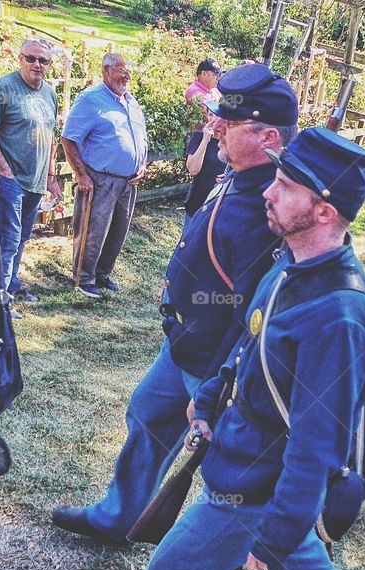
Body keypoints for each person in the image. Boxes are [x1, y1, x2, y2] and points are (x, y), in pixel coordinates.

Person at [79, 127, 365, 570]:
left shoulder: (338, 315)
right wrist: (213, 393)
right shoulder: (289, 266)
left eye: (287, 186)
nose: (270, 191)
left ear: (322, 210)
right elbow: (250, 343)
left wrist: (274, 535)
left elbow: (317, 446)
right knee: (271, 543)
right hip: (243, 443)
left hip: (258, 478)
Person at [51, 64, 298, 544]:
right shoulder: (241, 173)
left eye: (231, 122)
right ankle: (120, 516)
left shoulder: (271, 203)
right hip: (185, 343)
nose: (217, 126)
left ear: (269, 136)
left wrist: (220, 385)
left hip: (216, 363)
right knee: (147, 414)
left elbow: (254, 313)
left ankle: (221, 556)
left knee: (228, 467)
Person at [0, 37, 62, 305]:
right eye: (31, 58)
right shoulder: (3, 87)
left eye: (43, 60)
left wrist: (50, 178)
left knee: (22, 237)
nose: (37, 64)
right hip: (7, 179)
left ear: (49, 65)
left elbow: (50, 137)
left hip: (35, 181)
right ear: (20, 58)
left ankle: (10, 287)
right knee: (7, 239)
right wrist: (3, 171)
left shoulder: (49, 93)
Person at [62, 52, 148, 299]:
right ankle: (83, 278)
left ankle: (102, 274)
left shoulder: (132, 101)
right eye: (122, 70)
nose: (127, 75)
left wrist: (141, 163)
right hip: (100, 178)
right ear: (106, 71)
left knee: (118, 231)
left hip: (129, 181)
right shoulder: (91, 99)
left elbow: (141, 138)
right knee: (93, 230)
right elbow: (69, 139)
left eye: (129, 70)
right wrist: (81, 175)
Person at [183, 106, 226, 224]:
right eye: (211, 115)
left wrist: (230, 177)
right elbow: (193, 170)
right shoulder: (198, 137)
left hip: (219, 207)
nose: (214, 119)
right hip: (196, 204)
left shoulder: (230, 142)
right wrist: (205, 140)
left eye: (217, 115)